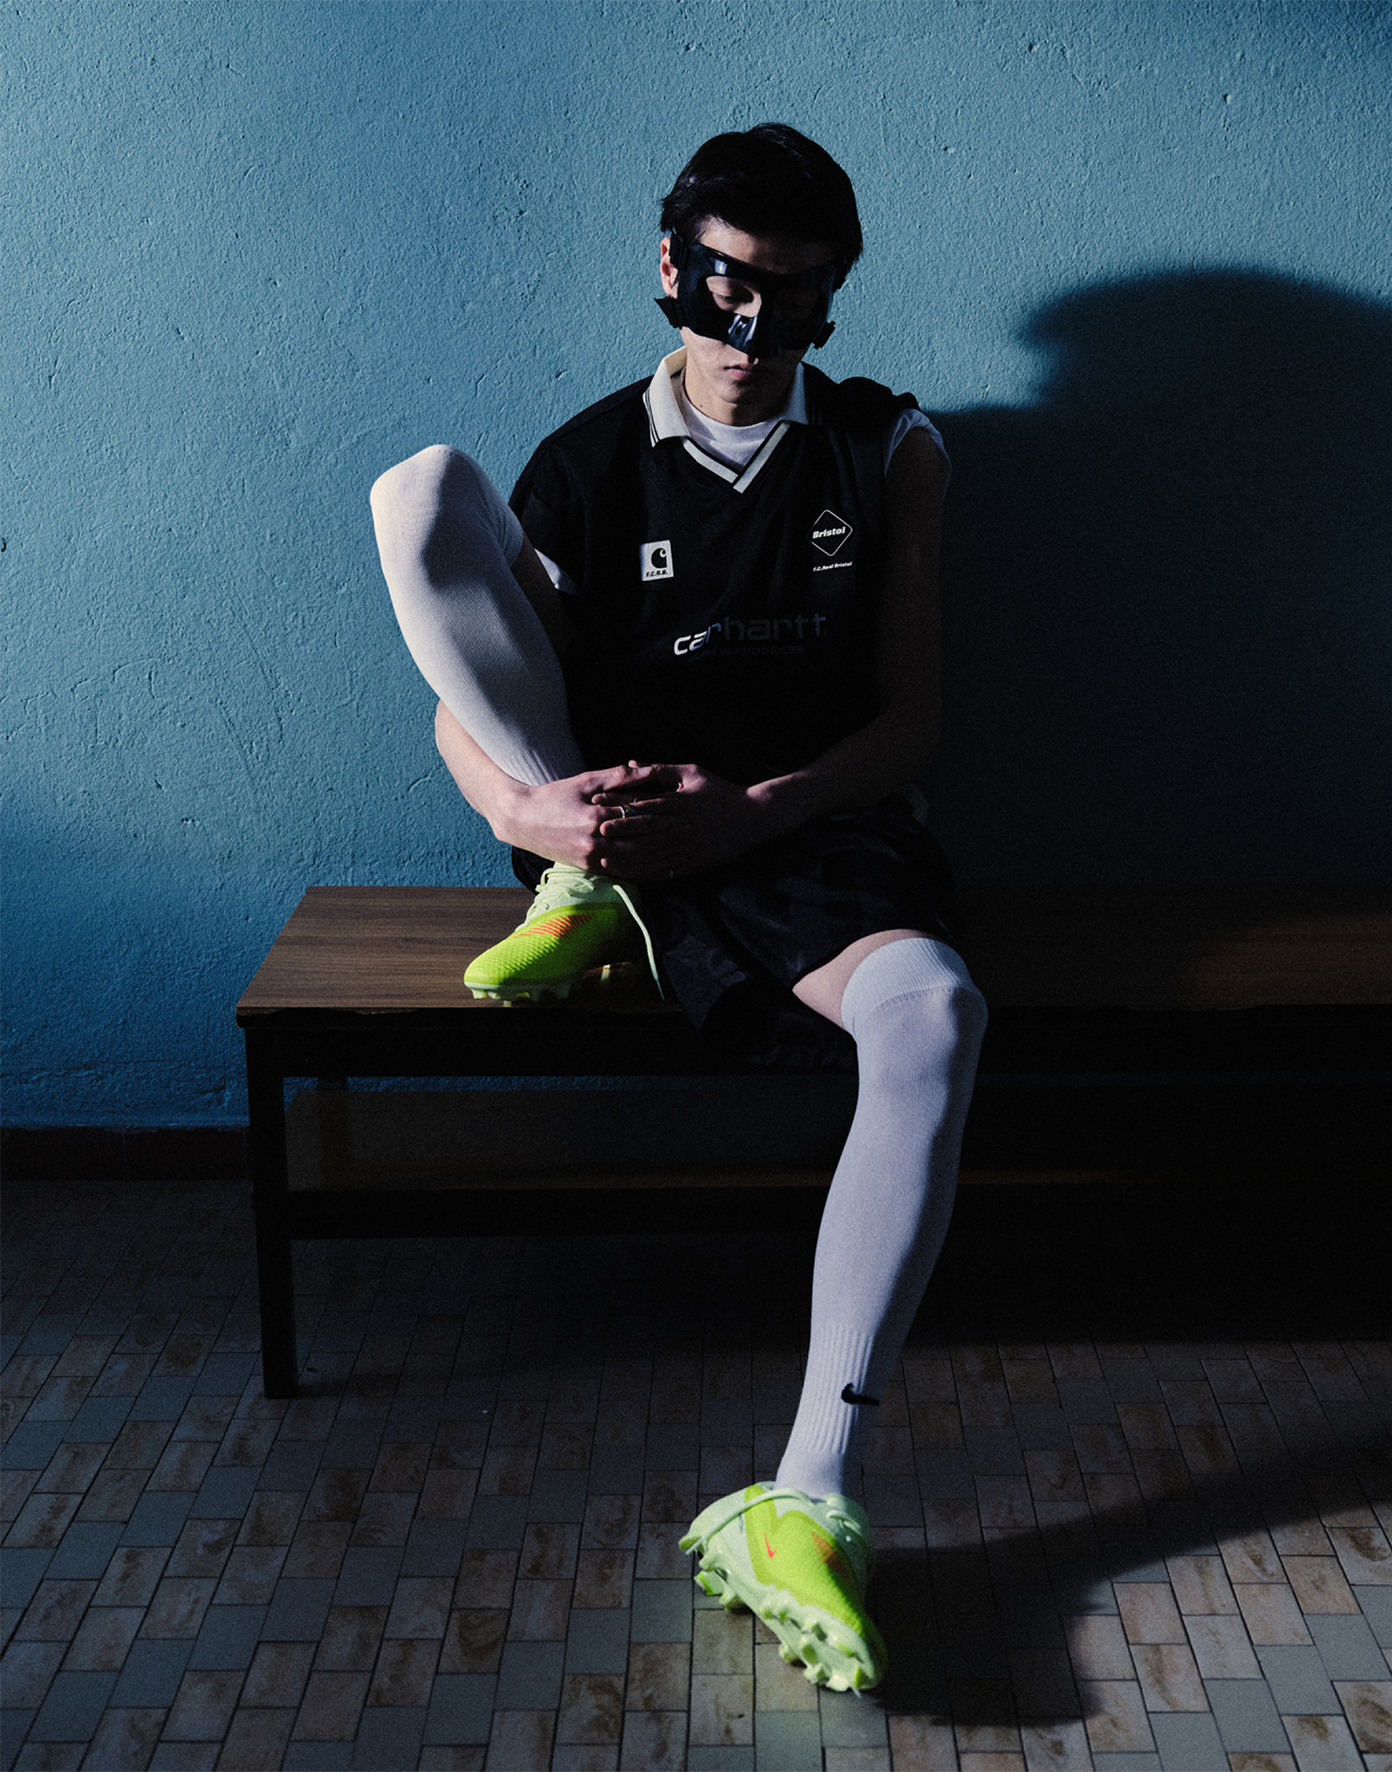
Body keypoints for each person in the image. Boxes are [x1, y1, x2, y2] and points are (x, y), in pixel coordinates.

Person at [370, 124, 987, 1693]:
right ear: (672, 269)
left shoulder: (888, 449)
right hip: (620, 822)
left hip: (803, 823)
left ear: (834, 294)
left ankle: (805, 1500)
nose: (755, 327)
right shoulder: (589, 462)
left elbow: (913, 725)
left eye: (796, 293)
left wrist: (760, 809)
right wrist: (525, 812)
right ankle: (584, 888)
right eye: (728, 285)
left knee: (936, 1007)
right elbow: (468, 698)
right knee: (419, 495)